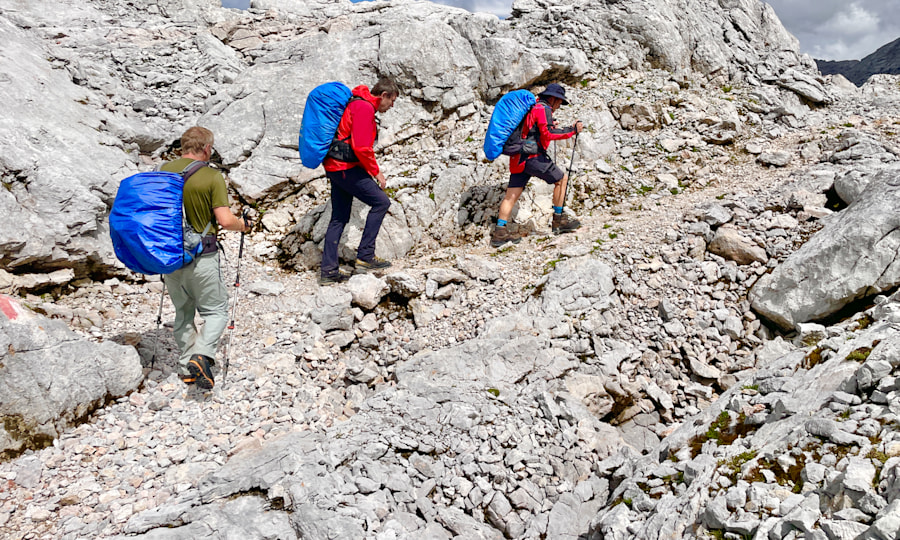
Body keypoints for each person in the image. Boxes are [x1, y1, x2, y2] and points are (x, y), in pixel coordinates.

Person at [160, 126, 250, 389]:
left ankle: (187, 366)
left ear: (182, 146)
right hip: (202, 257)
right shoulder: (211, 177)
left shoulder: (163, 171)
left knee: (183, 312)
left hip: (170, 256)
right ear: (207, 148)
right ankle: (202, 355)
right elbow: (225, 220)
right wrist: (243, 225)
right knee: (217, 311)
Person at [319, 77, 400, 284]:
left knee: (339, 217)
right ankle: (365, 256)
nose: (392, 106)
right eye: (392, 101)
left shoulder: (356, 103)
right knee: (382, 202)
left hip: (335, 167)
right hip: (345, 168)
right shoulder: (364, 108)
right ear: (383, 95)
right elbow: (362, 147)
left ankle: (328, 271)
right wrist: (376, 173)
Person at [491, 83, 584, 248]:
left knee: (511, 196)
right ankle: (559, 220)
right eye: (559, 103)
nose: (558, 107)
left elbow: (536, 131)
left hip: (518, 157)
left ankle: (500, 232)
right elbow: (548, 133)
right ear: (554, 99)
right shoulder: (543, 109)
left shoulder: (533, 108)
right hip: (532, 157)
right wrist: (572, 130)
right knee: (561, 179)